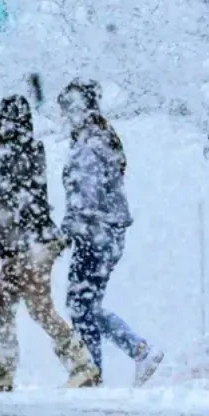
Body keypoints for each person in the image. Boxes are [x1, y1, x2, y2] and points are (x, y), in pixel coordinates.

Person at [0, 95, 100, 392]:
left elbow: (0, 205)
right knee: (4, 306)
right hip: (30, 242)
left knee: (38, 307)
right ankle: (0, 372)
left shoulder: (9, 155)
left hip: (30, 245)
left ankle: (83, 365)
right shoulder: (26, 149)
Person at [58, 79, 164, 387]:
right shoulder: (99, 139)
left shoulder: (89, 145)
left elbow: (86, 199)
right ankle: (123, 356)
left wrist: (67, 230)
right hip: (105, 235)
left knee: (81, 305)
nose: (65, 117)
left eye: (67, 110)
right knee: (86, 305)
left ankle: (105, 366)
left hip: (95, 234)